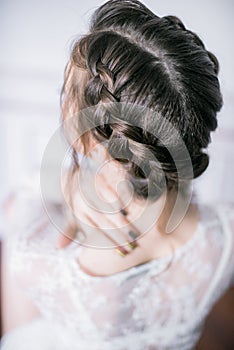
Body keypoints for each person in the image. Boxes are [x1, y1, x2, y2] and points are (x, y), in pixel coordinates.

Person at [1, 1, 233, 349]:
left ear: (91, 136)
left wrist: (64, 187)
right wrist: (72, 188)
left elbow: (15, 328)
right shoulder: (226, 233)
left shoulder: (46, 267)